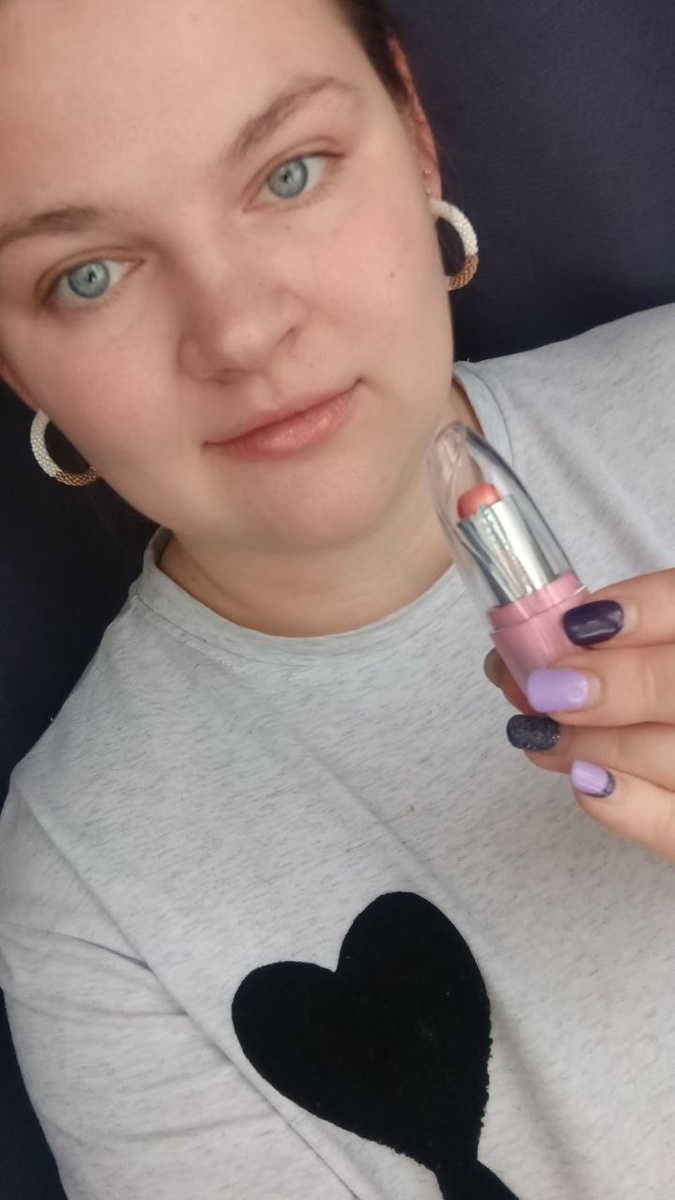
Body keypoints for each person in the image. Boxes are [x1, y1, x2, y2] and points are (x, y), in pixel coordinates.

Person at [0, 1, 673, 1197]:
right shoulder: (89, 882)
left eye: (289, 172)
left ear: (415, 133)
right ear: (14, 364)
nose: (243, 332)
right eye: (87, 276)